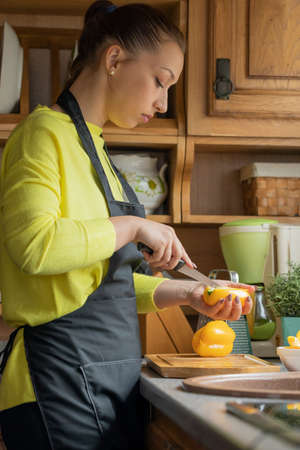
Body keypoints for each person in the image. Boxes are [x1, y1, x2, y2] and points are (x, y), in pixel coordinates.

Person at [0, 2, 253, 449]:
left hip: (106, 374)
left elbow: (99, 284)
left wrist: (187, 293)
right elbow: (36, 247)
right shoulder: (42, 134)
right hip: (55, 378)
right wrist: (133, 226)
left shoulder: (99, 153)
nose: (162, 101)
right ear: (114, 59)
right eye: (161, 81)